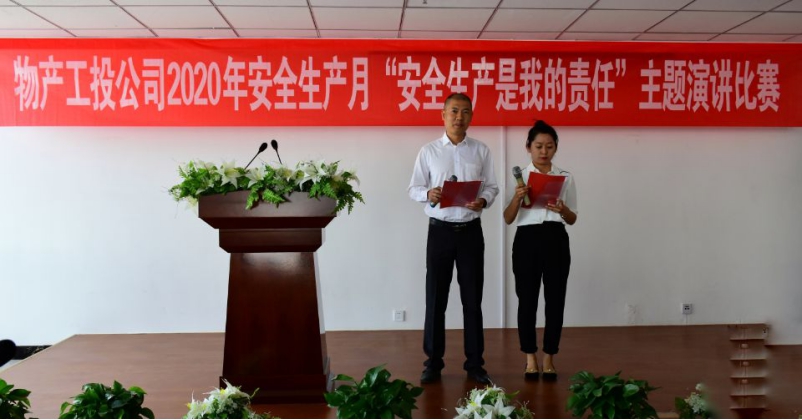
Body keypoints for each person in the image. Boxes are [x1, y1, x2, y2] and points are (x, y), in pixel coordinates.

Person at [408, 93, 499, 385]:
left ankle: (475, 365)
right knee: (436, 299)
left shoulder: (481, 151)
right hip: (440, 231)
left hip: (471, 232)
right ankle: (433, 364)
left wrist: (483, 200)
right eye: (454, 111)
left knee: (472, 301)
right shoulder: (429, 151)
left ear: (472, 116)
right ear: (443, 115)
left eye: (465, 112)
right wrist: (429, 194)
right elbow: (413, 188)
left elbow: (492, 187)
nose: (459, 117)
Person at [503, 120, 577, 381]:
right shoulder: (519, 177)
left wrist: (562, 209)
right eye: (538, 146)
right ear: (528, 147)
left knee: (555, 300)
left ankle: (549, 358)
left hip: (556, 239)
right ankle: (530, 358)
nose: (544, 151)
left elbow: (573, 218)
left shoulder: (565, 177)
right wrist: (517, 197)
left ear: (555, 148)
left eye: (549, 146)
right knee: (527, 300)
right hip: (527, 240)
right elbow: (508, 218)